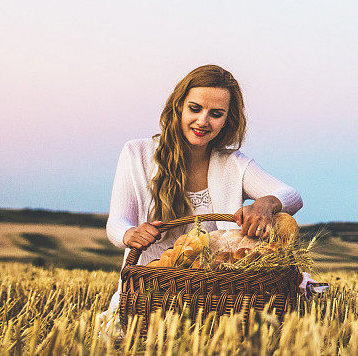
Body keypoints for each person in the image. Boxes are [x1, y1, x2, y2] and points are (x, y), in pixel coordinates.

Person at [96, 64, 304, 339]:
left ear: (227, 120)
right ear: (178, 107)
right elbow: (116, 224)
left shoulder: (233, 163)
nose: (203, 121)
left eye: (216, 114)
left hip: (216, 304)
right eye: (195, 109)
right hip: (149, 299)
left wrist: (265, 204)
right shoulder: (138, 153)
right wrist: (131, 233)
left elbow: (292, 195)